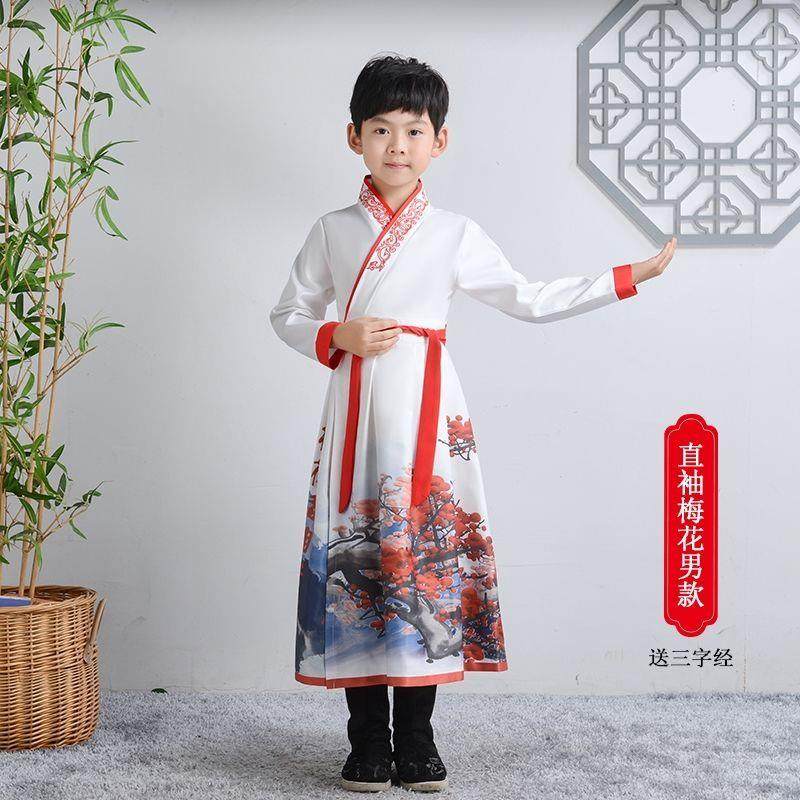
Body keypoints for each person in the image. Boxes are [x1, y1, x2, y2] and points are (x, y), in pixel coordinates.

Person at [270, 54, 676, 793]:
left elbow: (529, 297)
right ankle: (367, 742)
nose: (397, 145)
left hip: (428, 406)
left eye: (413, 130)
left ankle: (418, 738)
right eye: (381, 129)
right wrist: (336, 335)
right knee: (361, 559)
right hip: (357, 405)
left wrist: (624, 278)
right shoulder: (332, 229)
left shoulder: (454, 232)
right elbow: (289, 313)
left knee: (421, 562)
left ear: (440, 140)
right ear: (354, 137)